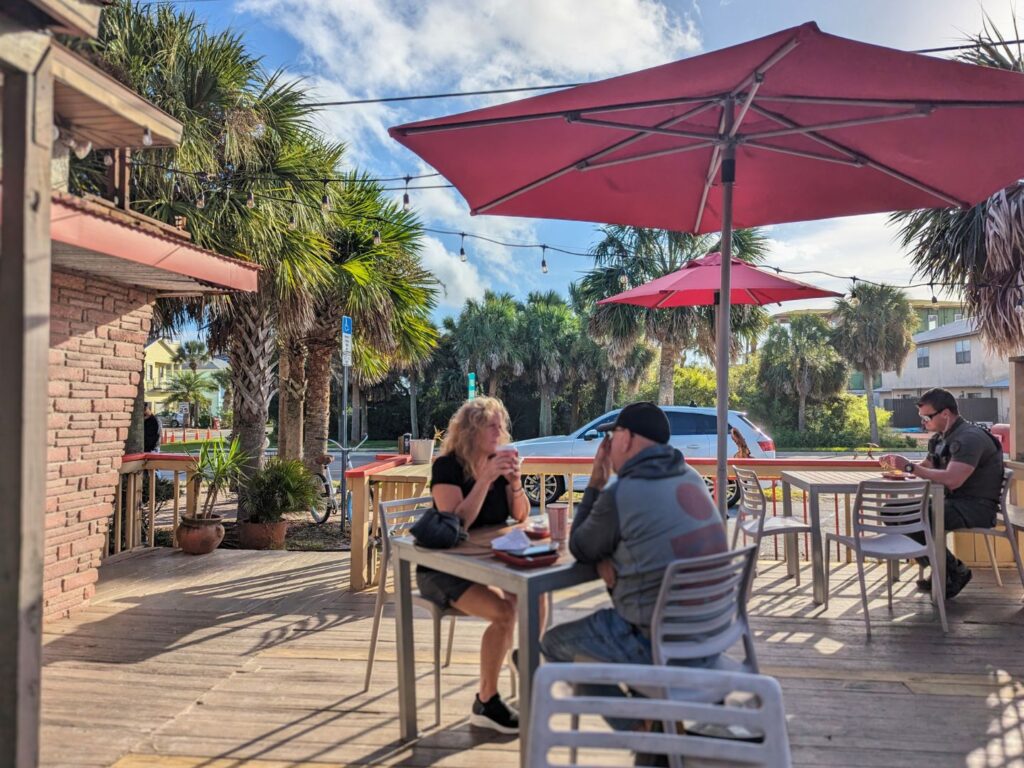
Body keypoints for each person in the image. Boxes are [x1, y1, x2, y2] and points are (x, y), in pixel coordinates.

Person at [540, 401, 728, 723]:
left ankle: (643, 729)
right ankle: (656, 729)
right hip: (713, 632)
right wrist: (612, 555)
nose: (609, 444)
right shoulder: (692, 478)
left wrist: (597, 480)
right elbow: (653, 537)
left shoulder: (623, 492)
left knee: (555, 644)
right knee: (597, 646)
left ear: (625, 438)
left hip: (656, 638)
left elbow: (581, 546)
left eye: (611, 436)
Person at [420, 397, 530, 733]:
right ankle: (486, 701)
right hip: (443, 569)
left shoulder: (498, 462)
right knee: (505, 612)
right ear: (472, 430)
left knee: (532, 593)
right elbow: (457, 524)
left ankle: (523, 660)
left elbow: (522, 515)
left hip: (488, 560)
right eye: (492, 425)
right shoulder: (447, 467)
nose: (501, 431)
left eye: (501, 425)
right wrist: (483, 480)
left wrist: (514, 482)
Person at [881, 387, 1004, 599]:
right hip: (950, 502)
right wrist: (900, 471)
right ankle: (945, 570)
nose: (923, 423)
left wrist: (910, 468)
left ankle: (953, 571)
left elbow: (953, 480)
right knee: (891, 511)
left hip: (976, 507)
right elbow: (926, 466)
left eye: (927, 417)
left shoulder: (969, 438)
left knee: (919, 517)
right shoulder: (941, 438)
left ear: (945, 414)